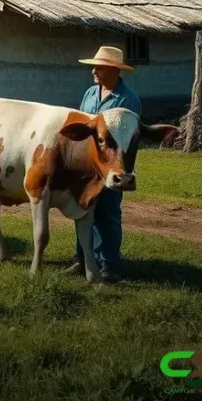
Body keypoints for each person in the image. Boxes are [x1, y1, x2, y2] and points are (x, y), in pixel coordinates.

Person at [68, 46, 142, 283]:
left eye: (99, 67)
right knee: (83, 211)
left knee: (108, 213)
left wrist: (121, 167)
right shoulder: (90, 93)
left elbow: (129, 138)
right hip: (88, 164)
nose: (94, 71)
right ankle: (82, 258)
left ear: (114, 70)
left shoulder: (128, 99)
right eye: (94, 67)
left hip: (112, 165)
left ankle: (109, 264)